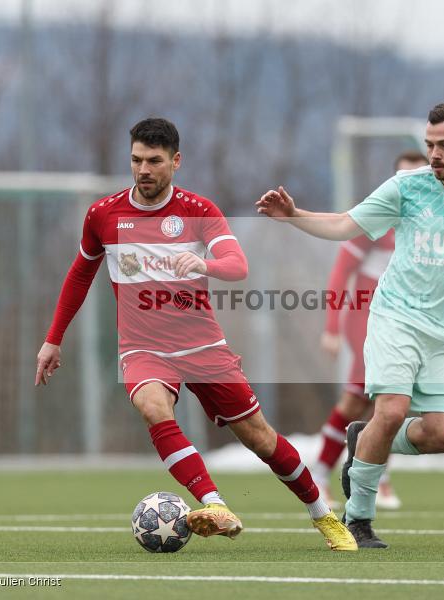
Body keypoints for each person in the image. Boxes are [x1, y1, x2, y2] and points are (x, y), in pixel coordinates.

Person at [36, 117, 356, 552]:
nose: (143, 169)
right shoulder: (103, 215)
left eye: (154, 160)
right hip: (142, 347)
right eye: (135, 160)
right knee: (153, 406)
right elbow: (79, 275)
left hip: (204, 346)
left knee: (260, 438)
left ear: (176, 161)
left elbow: (237, 266)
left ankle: (324, 515)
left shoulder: (199, 211)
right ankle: (214, 503)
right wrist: (54, 338)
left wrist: (205, 264)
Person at [257, 103, 444, 548]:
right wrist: (294, 217)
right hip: (397, 318)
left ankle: (365, 439)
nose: (434, 154)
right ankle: (359, 519)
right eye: (429, 145)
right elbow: (343, 225)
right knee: (391, 411)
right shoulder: (406, 188)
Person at [313, 150, 429, 510]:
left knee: (379, 402)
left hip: (407, 321)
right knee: (371, 399)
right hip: (367, 320)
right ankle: (323, 474)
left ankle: (366, 473)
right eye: (402, 176)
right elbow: (340, 271)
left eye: (417, 175)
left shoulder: (431, 221)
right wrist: (331, 327)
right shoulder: (378, 217)